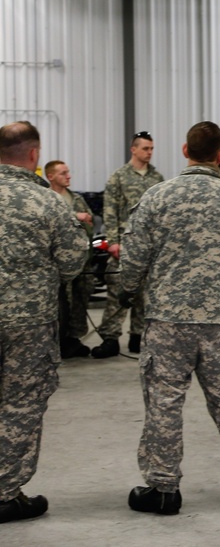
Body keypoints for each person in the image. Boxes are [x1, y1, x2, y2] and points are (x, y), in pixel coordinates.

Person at [119, 122, 220, 514]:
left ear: (185, 150)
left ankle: (164, 488)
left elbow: (134, 254)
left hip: (167, 319)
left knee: (164, 402)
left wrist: (129, 288)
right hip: (218, 320)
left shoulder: (158, 196)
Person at [0, 122, 89, 524]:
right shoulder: (48, 202)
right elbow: (73, 263)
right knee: (20, 402)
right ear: (34, 155)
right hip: (27, 322)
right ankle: (4, 492)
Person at [92, 131, 164, 359]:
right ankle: (110, 338)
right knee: (117, 291)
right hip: (124, 243)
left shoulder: (158, 178)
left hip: (149, 246)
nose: (149, 153)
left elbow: (161, 214)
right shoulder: (119, 177)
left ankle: (138, 336)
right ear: (133, 149)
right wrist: (112, 241)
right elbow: (110, 210)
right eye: (145, 148)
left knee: (145, 294)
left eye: (152, 148)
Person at [45, 160, 97, 359]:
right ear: (51, 176)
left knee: (80, 298)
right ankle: (59, 339)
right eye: (63, 173)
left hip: (81, 261)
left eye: (68, 172)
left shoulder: (76, 199)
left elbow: (90, 223)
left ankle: (74, 338)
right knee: (61, 302)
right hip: (57, 264)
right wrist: (75, 217)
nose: (68, 176)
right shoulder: (47, 199)